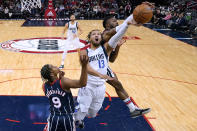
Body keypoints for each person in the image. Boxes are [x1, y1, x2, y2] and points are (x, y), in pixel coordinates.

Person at [75, 17, 150, 128]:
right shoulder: (105, 34)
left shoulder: (107, 43)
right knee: (116, 84)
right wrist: (130, 21)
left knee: (93, 113)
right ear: (107, 24)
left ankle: (80, 114)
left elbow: (112, 58)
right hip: (92, 75)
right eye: (113, 20)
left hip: (102, 67)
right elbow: (87, 67)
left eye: (97, 34)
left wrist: (119, 44)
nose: (116, 21)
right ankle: (76, 117)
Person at [41, 50, 88, 131]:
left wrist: (58, 79)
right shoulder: (63, 82)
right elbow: (82, 83)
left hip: (54, 117)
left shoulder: (44, 86)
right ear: (52, 74)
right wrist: (84, 66)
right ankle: (77, 121)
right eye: (53, 67)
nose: (56, 66)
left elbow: (55, 90)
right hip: (67, 117)